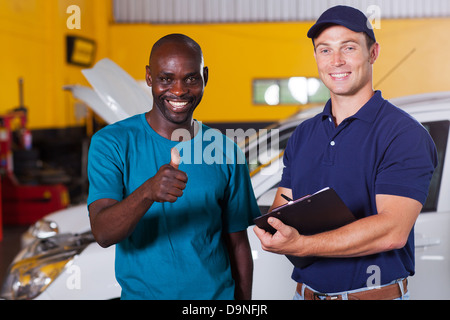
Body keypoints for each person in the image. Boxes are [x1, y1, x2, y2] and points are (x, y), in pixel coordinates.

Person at [254, 5, 437, 300]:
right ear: (316, 57)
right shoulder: (303, 134)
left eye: (348, 47)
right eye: (325, 50)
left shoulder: (404, 134)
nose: (336, 61)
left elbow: (392, 231)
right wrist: (276, 227)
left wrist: (301, 243)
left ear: (373, 53)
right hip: (305, 295)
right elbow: (281, 205)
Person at [87, 33, 260, 300]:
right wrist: (148, 191)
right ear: (149, 77)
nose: (178, 91)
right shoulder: (111, 143)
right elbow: (103, 232)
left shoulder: (226, 150)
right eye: (166, 79)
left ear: (205, 77)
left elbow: (237, 244)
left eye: (190, 78)